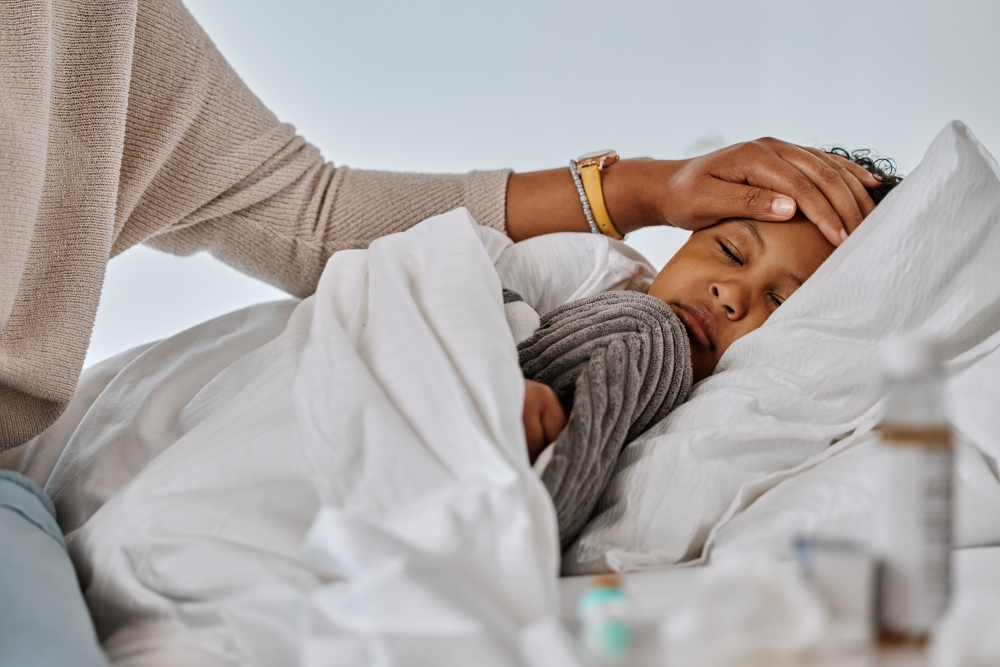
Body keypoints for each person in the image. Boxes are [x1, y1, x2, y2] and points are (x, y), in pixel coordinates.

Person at [0, 0, 881, 452]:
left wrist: (643, 188)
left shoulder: (98, 28)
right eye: (731, 251)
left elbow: (313, 218)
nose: (734, 292)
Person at [518, 150, 902, 546]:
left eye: (781, 302)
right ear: (690, 233)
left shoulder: (729, 421)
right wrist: (493, 378)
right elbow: (465, 286)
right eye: (730, 251)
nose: (730, 294)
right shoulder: (596, 271)